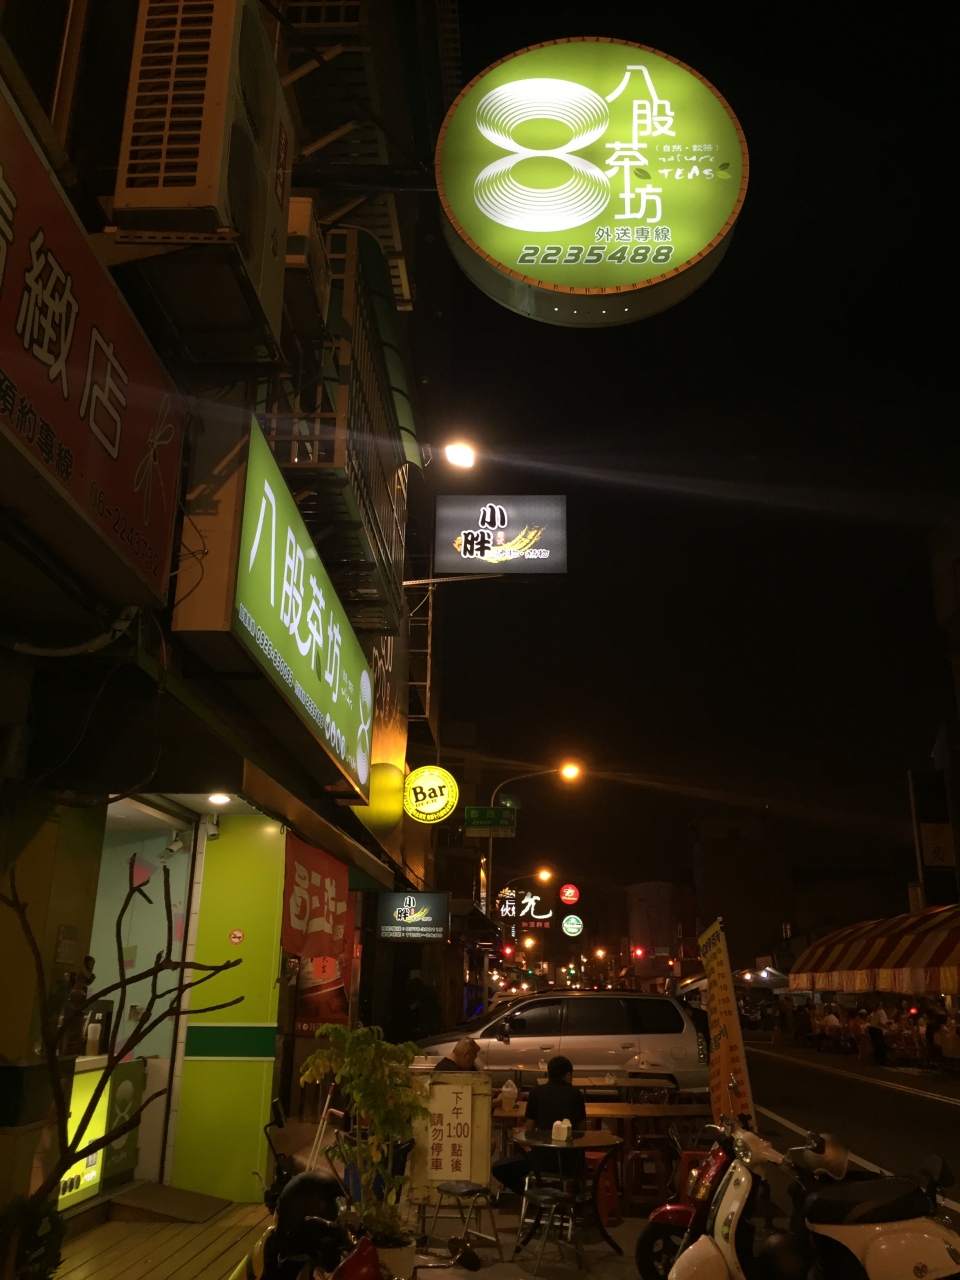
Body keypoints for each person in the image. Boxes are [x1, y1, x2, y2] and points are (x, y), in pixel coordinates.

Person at [491, 1055, 586, 1198]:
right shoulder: (577, 1095)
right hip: (571, 1162)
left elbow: (529, 1130)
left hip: (541, 1159)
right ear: (568, 1075)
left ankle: (533, 1194)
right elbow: (582, 1131)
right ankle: (551, 1194)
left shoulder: (537, 1092)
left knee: (498, 1168)